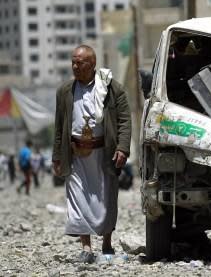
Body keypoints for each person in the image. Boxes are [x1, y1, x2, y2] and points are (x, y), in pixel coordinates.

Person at [52, 45, 131, 264]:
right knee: (77, 199)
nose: (75, 66)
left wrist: (123, 148)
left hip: (104, 153)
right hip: (76, 154)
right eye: (73, 62)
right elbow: (60, 126)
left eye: (81, 62)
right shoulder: (65, 91)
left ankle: (106, 242)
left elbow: (124, 120)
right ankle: (86, 246)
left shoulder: (113, 89)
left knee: (106, 198)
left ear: (93, 64)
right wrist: (56, 156)